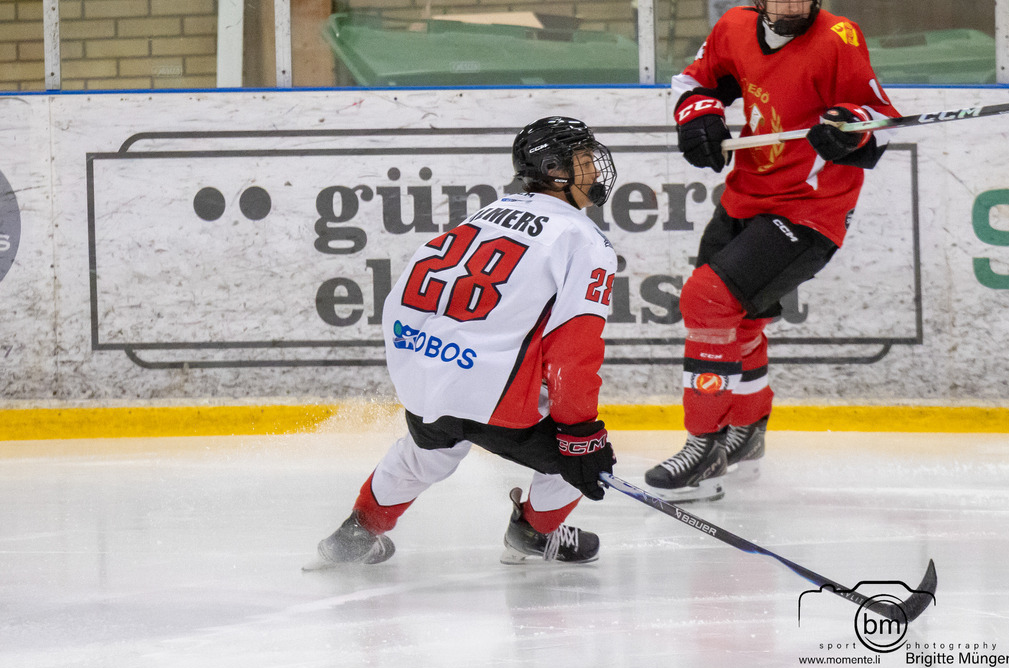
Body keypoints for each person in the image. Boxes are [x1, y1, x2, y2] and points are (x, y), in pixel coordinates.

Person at [306, 116, 619, 567]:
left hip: (426, 376)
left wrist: (432, 366)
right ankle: (533, 532)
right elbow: (574, 350)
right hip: (490, 394)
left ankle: (355, 535)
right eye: (585, 160)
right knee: (586, 463)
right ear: (556, 171)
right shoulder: (584, 240)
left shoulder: (482, 215)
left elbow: (404, 300)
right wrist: (580, 434)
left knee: (425, 455)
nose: (595, 170)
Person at [644, 0, 900, 502]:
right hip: (746, 191)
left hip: (810, 209)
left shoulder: (838, 38)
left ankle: (704, 446)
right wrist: (699, 118)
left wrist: (847, 127)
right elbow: (695, 82)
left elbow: (879, 119)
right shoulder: (735, 25)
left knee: (707, 300)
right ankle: (746, 430)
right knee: (739, 321)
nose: (790, 4)